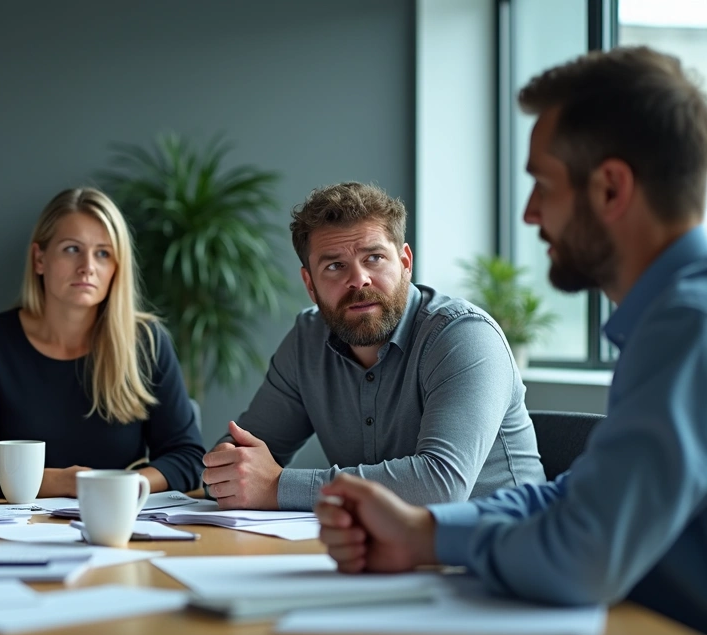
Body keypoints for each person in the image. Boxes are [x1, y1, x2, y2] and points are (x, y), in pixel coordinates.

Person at [315, 47, 707, 634]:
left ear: (609, 189)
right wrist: (426, 534)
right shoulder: (672, 320)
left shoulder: (689, 326)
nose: (528, 213)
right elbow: (581, 497)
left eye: (542, 185)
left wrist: (431, 539)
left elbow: (584, 553)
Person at [202, 182, 544, 511]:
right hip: (387, 555)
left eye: (375, 258)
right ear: (310, 283)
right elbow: (239, 462)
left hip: (498, 553)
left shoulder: (464, 336)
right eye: (335, 266)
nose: (359, 279)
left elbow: (441, 486)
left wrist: (278, 486)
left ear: (405, 263)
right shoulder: (307, 340)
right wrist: (230, 472)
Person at [0, 187, 205, 498]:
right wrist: (62, 483)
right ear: (39, 259)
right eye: (71, 249)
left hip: (119, 525)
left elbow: (188, 459)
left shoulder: (146, 342)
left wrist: (125, 486)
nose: (88, 266)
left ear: (116, 268)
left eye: (103, 253)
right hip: (15, 530)